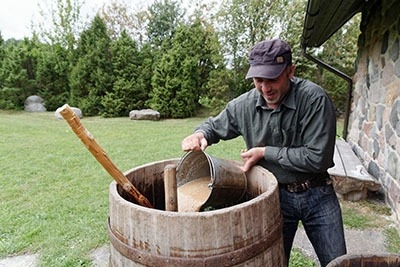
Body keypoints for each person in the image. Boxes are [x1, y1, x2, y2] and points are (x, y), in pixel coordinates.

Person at [181, 39, 347, 266]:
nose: (265, 88)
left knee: (339, 262)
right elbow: (213, 126)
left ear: (290, 71)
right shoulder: (244, 105)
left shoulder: (314, 99)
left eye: (272, 79)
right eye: (259, 80)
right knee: (274, 261)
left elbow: (317, 158)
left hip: (318, 195)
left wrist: (265, 152)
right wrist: (200, 135)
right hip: (274, 197)